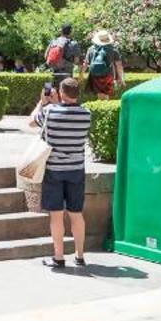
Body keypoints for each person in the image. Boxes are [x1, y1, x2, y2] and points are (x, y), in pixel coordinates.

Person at [37, 77, 92, 269]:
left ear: (61, 93)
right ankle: (80, 256)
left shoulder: (50, 111)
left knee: (56, 215)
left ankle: (58, 257)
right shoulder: (86, 114)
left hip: (54, 170)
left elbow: (32, 122)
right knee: (76, 214)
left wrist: (43, 102)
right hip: (76, 169)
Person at [84, 29, 124, 98]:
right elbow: (119, 65)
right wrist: (121, 79)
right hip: (108, 74)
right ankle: (105, 106)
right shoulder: (113, 50)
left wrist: (81, 75)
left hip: (94, 74)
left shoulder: (91, 49)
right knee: (107, 93)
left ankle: (100, 105)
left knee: (99, 93)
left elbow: (85, 63)